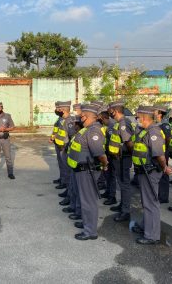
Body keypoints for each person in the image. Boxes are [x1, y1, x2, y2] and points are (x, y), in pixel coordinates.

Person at [131, 106, 172, 245]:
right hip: (143, 171)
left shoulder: (154, 132)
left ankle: (152, 235)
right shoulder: (145, 131)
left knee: (151, 203)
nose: (137, 119)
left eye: (138, 117)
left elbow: (159, 155)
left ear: (143, 117)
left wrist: (165, 168)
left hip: (151, 172)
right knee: (147, 201)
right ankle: (145, 226)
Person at [66, 104, 108, 240]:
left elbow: (99, 153)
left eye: (82, 115)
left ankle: (90, 231)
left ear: (89, 116)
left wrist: (105, 164)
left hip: (87, 171)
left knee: (88, 201)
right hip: (81, 170)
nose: (80, 117)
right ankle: (87, 223)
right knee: (85, 200)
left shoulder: (94, 131)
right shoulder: (87, 129)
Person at [107, 100, 135, 222]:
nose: (109, 112)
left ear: (116, 110)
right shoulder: (118, 123)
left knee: (125, 185)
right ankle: (122, 205)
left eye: (110, 110)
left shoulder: (123, 123)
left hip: (123, 159)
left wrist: (130, 156)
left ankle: (126, 211)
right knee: (121, 184)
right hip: (118, 158)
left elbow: (129, 143)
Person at [63, 103, 83, 221]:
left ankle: (80, 212)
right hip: (74, 165)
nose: (73, 125)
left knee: (81, 192)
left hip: (81, 167)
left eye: (76, 123)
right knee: (74, 187)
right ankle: (74, 207)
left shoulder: (84, 134)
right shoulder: (78, 134)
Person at [53, 101, 74, 206]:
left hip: (66, 149)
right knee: (65, 169)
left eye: (58, 108)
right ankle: (67, 190)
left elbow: (72, 137)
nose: (57, 110)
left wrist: (67, 149)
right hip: (62, 148)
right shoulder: (63, 120)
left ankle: (70, 195)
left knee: (69, 172)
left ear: (64, 109)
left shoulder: (70, 121)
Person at [154, 105, 172, 203]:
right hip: (158, 150)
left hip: (163, 151)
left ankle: (164, 197)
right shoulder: (157, 124)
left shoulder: (165, 124)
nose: (153, 113)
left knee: (164, 172)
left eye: (155, 111)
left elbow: (168, 139)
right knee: (159, 171)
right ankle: (159, 194)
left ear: (160, 113)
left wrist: (165, 150)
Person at [50, 102, 64, 185]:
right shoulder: (59, 118)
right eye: (56, 108)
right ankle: (62, 177)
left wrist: (54, 137)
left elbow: (63, 132)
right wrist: (52, 137)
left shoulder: (63, 119)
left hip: (62, 144)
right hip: (57, 142)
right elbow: (56, 130)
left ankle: (64, 181)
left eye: (58, 108)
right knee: (60, 162)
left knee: (63, 163)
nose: (56, 110)